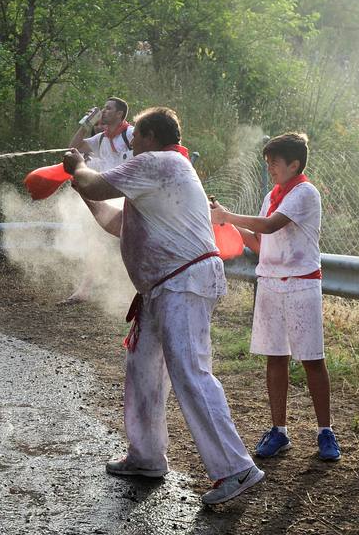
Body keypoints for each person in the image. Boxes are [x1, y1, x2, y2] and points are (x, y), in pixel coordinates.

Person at [62, 107, 263, 505]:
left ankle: (236, 468)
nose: (131, 144)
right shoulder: (158, 173)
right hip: (166, 285)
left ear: (151, 137)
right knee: (142, 367)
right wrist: (83, 187)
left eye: (135, 138)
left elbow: (98, 184)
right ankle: (146, 455)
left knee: (190, 371)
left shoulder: (158, 162)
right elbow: (111, 220)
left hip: (182, 283)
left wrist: (78, 166)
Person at [210, 133, 340, 462]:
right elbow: (259, 242)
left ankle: (325, 431)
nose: (270, 168)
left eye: (274, 163)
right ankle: (279, 430)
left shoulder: (305, 192)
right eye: (267, 163)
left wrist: (228, 217)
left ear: (294, 164)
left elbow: (270, 226)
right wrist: (223, 222)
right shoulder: (272, 195)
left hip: (301, 284)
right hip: (270, 284)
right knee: (275, 357)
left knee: (312, 359)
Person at [61, 97, 135, 305]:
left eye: (108, 109)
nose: (103, 112)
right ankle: (84, 290)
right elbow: (71, 150)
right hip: (108, 197)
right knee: (94, 241)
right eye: (103, 108)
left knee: (132, 245)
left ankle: (135, 291)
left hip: (131, 199)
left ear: (120, 114)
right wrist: (86, 124)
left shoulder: (131, 134)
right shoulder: (101, 138)